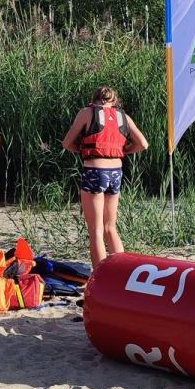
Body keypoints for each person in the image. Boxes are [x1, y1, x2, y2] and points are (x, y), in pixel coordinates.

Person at [62, 86, 148, 269]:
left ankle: (100, 276)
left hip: (94, 171)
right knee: (111, 227)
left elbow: (67, 143)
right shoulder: (123, 116)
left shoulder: (87, 113)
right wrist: (124, 151)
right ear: (114, 101)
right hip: (116, 171)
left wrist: (83, 150)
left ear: (95, 99)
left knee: (96, 230)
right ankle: (122, 273)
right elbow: (143, 144)